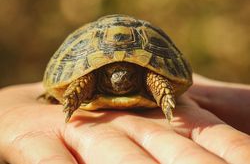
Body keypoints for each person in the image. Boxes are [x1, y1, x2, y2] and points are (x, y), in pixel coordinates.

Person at [0, 74, 249, 164]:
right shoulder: (89, 79)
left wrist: (162, 91)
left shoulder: (150, 78)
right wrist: (72, 93)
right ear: (103, 77)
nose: (119, 81)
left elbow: (156, 78)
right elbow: (82, 79)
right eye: (112, 77)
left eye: (126, 77)